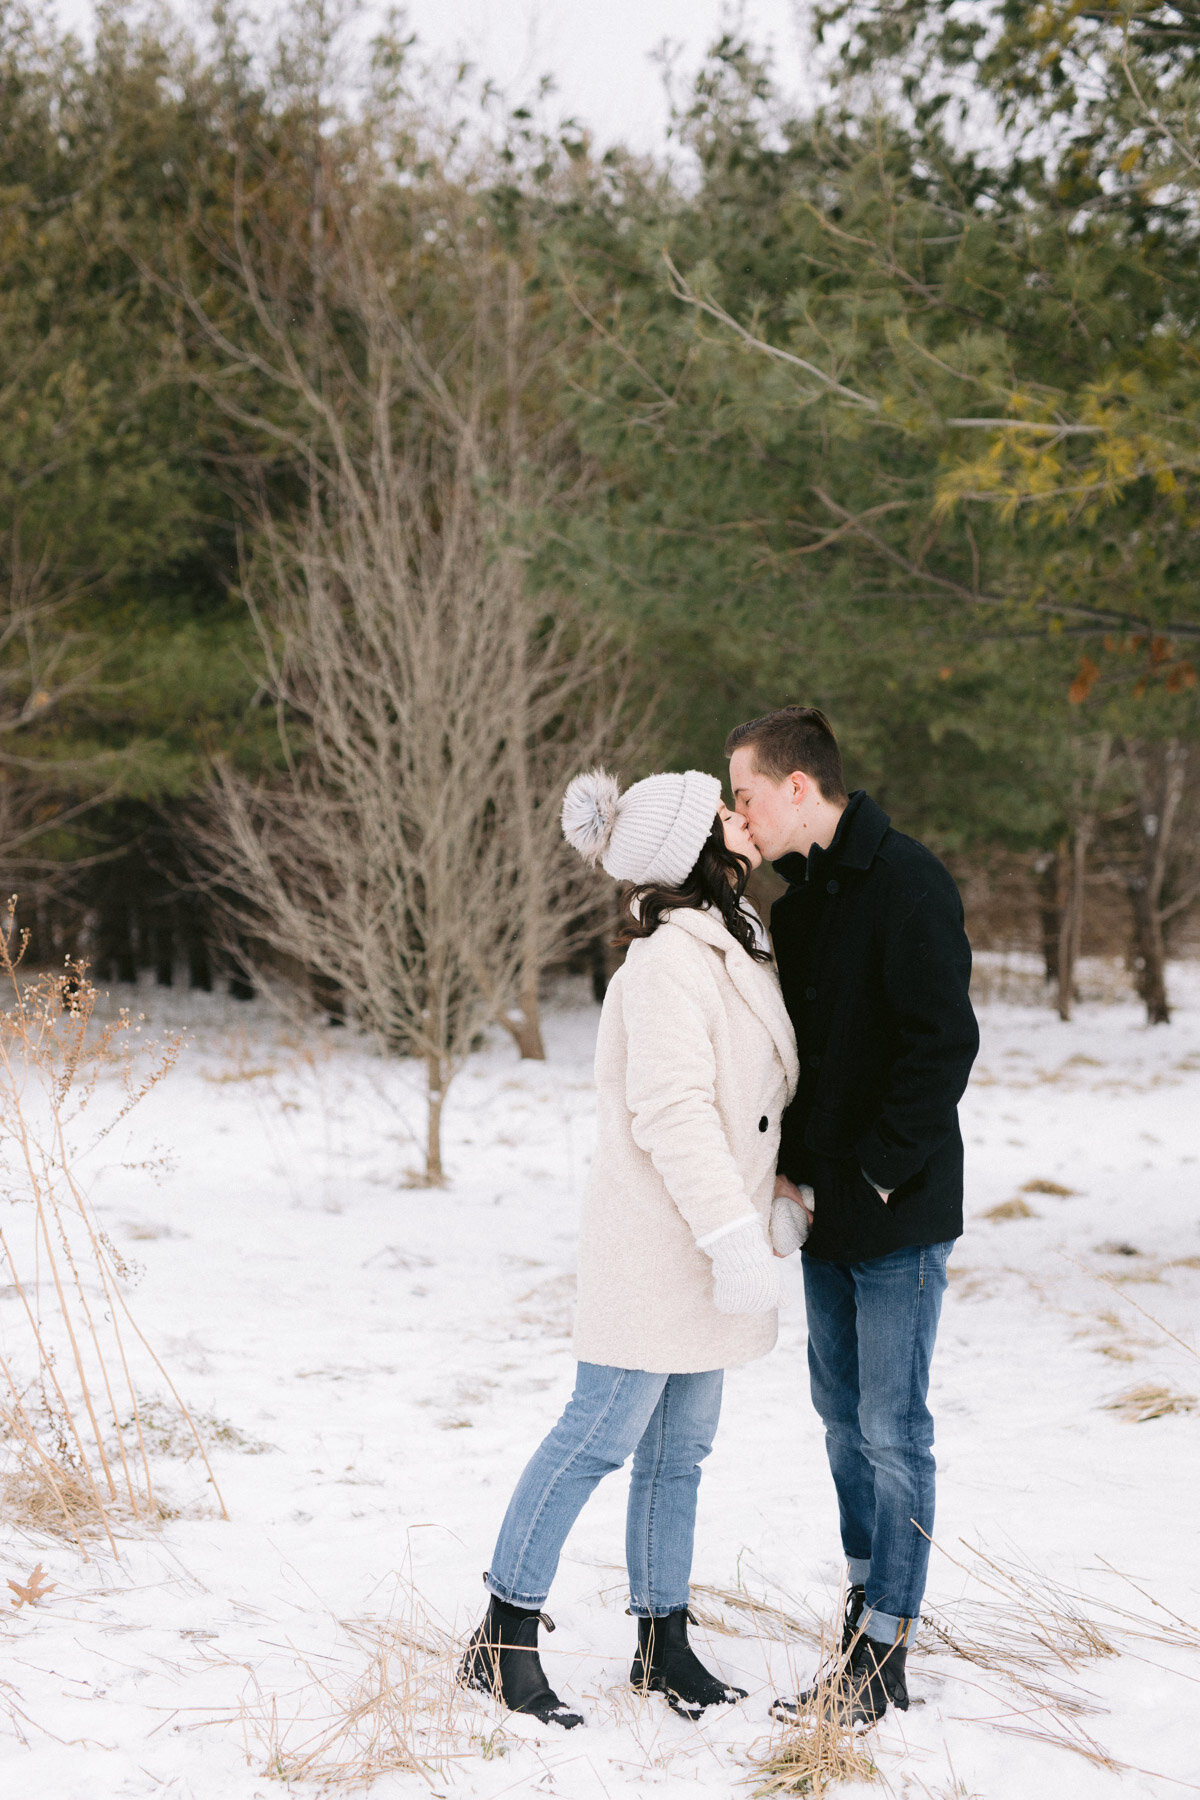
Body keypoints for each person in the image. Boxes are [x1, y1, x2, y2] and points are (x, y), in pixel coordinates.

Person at [459, 766, 804, 1729]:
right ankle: (501, 1635)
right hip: (661, 1246)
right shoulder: (665, 966)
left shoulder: (729, 944)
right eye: (724, 813)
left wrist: (775, 1196)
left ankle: (662, 1642)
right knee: (596, 1437)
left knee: (678, 1453)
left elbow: (755, 1101)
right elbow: (673, 1114)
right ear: (698, 849)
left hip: (712, 1244)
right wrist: (734, 1234)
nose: (743, 819)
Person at [726, 706, 979, 1726]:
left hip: (899, 1212)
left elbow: (942, 1047)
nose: (737, 813)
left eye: (744, 793)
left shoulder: (912, 881)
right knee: (841, 1424)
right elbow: (802, 1065)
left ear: (798, 787)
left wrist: (873, 1174)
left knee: (893, 1429)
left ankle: (887, 1652)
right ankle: (866, 1606)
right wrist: (791, 1173)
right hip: (822, 1214)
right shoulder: (800, 905)